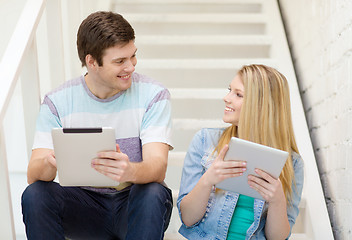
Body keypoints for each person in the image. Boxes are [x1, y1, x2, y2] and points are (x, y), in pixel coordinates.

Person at [21, 11, 173, 240]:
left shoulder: (153, 94)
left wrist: (130, 170)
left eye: (133, 56)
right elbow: (34, 175)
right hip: (83, 205)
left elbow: (157, 166)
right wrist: (51, 162)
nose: (131, 67)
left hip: (133, 204)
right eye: (120, 61)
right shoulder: (58, 101)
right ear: (92, 62)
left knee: (153, 191)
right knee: (36, 194)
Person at [177, 64, 304, 239]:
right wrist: (208, 180)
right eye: (229, 90)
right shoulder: (205, 141)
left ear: (261, 105)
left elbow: (278, 237)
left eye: (238, 94)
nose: (226, 98)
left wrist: (277, 201)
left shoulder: (292, 163)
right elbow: (188, 218)